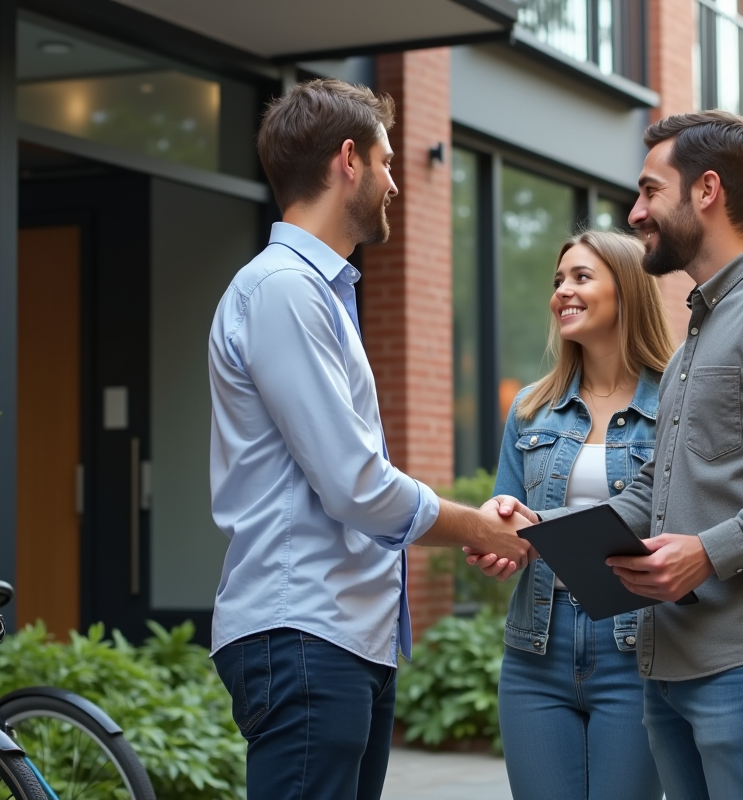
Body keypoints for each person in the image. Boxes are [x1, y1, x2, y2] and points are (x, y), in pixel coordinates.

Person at [475, 110, 743, 799]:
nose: (636, 214)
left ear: (707, 192)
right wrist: (538, 534)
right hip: (673, 670)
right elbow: (647, 494)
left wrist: (712, 550)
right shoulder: (700, 334)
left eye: (649, 191)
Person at [208, 79, 530, 800]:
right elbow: (355, 483)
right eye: (386, 163)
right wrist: (473, 524)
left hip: (339, 636)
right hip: (304, 633)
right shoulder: (285, 292)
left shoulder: (314, 293)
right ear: (347, 160)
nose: (395, 184)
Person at [493, 229, 674, 800]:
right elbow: (509, 524)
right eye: (557, 280)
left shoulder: (677, 402)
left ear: (626, 291)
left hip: (637, 653)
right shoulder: (530, 409)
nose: (562, 291)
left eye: (581, 277)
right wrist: (495, 535)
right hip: (535, 653)